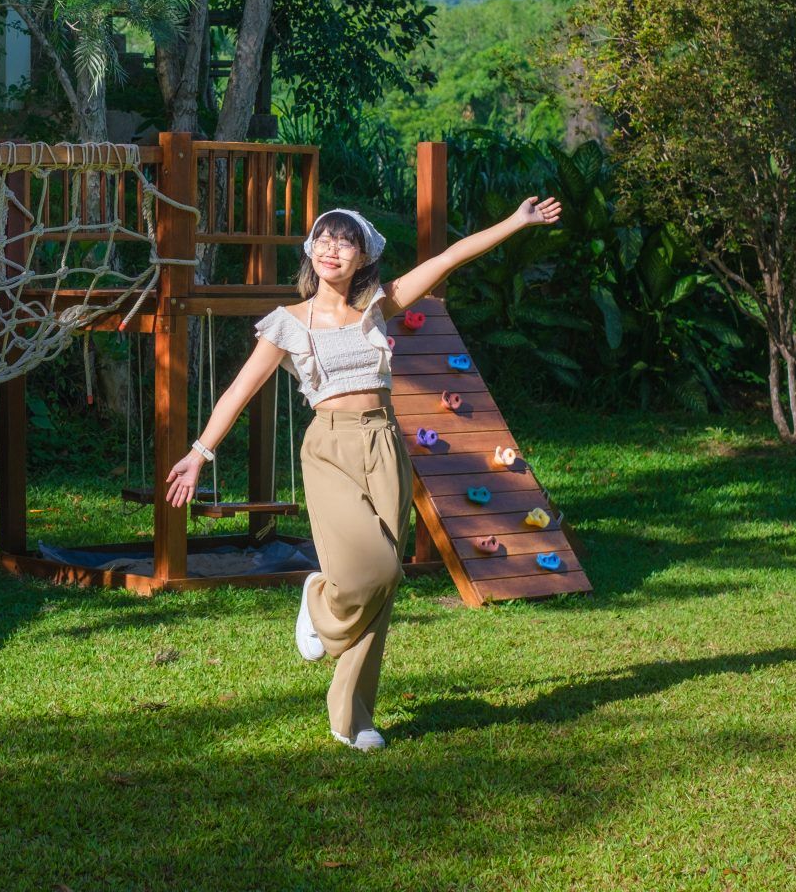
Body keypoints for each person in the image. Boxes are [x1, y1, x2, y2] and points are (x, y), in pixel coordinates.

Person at [164, 199, 562, 751]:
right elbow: (239, 389)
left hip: (385, 441)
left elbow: (447, 258)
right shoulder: (288, 323)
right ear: (310, 251)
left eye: (344, 241)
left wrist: (516, 222)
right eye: (324, 239)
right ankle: (321, 597)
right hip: (329, 447)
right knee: (366, 572)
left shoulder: (378, 305)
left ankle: (352, 718)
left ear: (362, 258)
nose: (331, 248)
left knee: (386, 579)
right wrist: (199, 452)